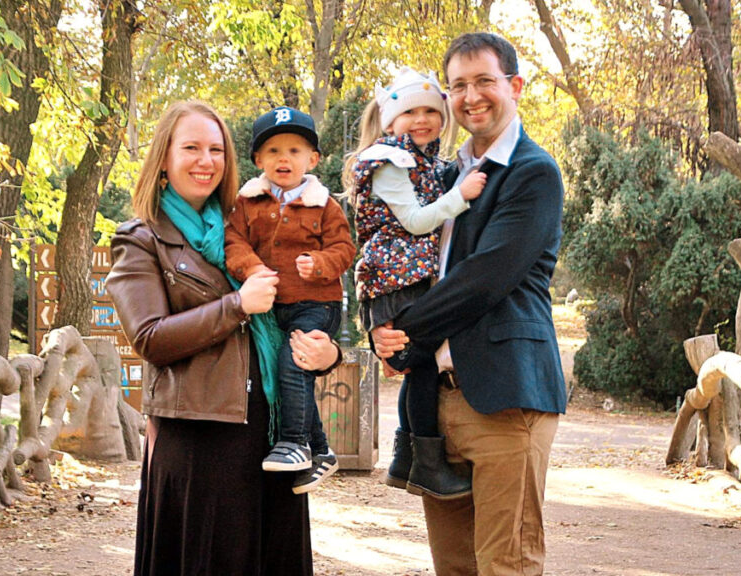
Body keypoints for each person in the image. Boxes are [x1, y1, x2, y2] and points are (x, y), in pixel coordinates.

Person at [106, 100, 343, 576]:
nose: (206, 160)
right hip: (198, 439)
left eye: (216, 149)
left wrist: (327, 353)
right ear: (164, 158)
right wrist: (236, 305)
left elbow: (299, 307)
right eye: (191, 148)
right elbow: (150, 338)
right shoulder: (141, 239)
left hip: (272, 436)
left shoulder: (252, 225)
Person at [371, 33, 568, 576]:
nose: (471, 96)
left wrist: (404, 333)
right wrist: (379, 326)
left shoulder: (533, 172)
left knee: (507, 565)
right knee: (453, 568)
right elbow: (394, 256)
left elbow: (483, 280)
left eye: (484, 81)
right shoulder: (440, 176)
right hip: (435, 403)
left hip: (507, 399)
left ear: (515, 86)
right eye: (458, 85)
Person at [345, 67, 486, 499]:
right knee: (421, 367)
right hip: (394, 278)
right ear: (390, 121)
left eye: (430, 111)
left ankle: (405, 458)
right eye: (410, 112)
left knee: (416, 367)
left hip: (403, 276)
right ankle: (427, 465)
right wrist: (461, 196)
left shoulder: (423, 161)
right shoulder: (389, 161)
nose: (422, 119)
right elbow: (415, 220)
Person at [225, 106, 356, 493]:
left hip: (316, 305)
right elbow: (234, 242)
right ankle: (321, 450)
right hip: (272, 307)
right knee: (289, 370)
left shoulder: (324, 205)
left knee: (294, 361)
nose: (284, 158)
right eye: (274, 151)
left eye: (295, 151)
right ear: (258, 160)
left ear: (312, 160)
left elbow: (344, 249)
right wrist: (252, 269)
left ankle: (295, 442)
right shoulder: (247, 203)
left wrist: (319, 263)